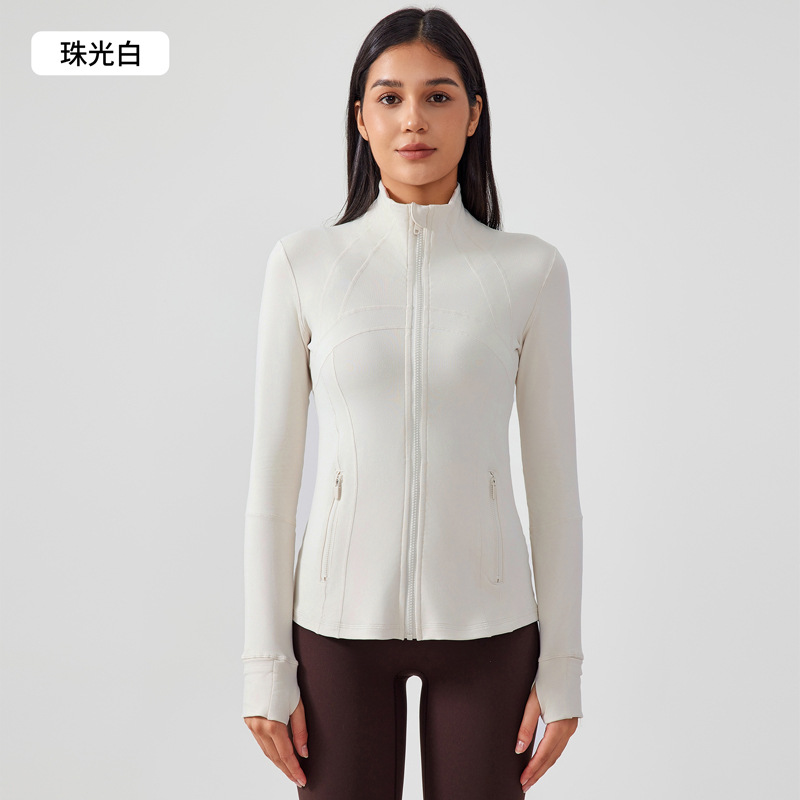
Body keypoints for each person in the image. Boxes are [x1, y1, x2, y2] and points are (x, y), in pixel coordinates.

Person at [242, 7, 584, 798]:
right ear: (361, 117)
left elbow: (555, 489)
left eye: (438, 96)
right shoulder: (304, 265)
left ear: (474, 112)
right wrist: (264, 664)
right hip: (335, 629)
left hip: (490, 627)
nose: (413, 120)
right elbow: (271, 487)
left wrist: (563, 664)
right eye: (389, 97)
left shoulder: (530, 271)